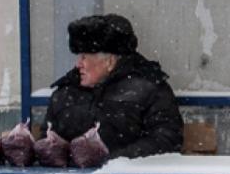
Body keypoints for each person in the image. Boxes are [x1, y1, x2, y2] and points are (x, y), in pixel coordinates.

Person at [41, 14, 184, 159]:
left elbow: (167, 140)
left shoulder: (149, 89)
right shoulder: (66, 91)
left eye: (84, 57)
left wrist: (112, 161)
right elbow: (47, 136)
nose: (78, 64)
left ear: (109, 62)